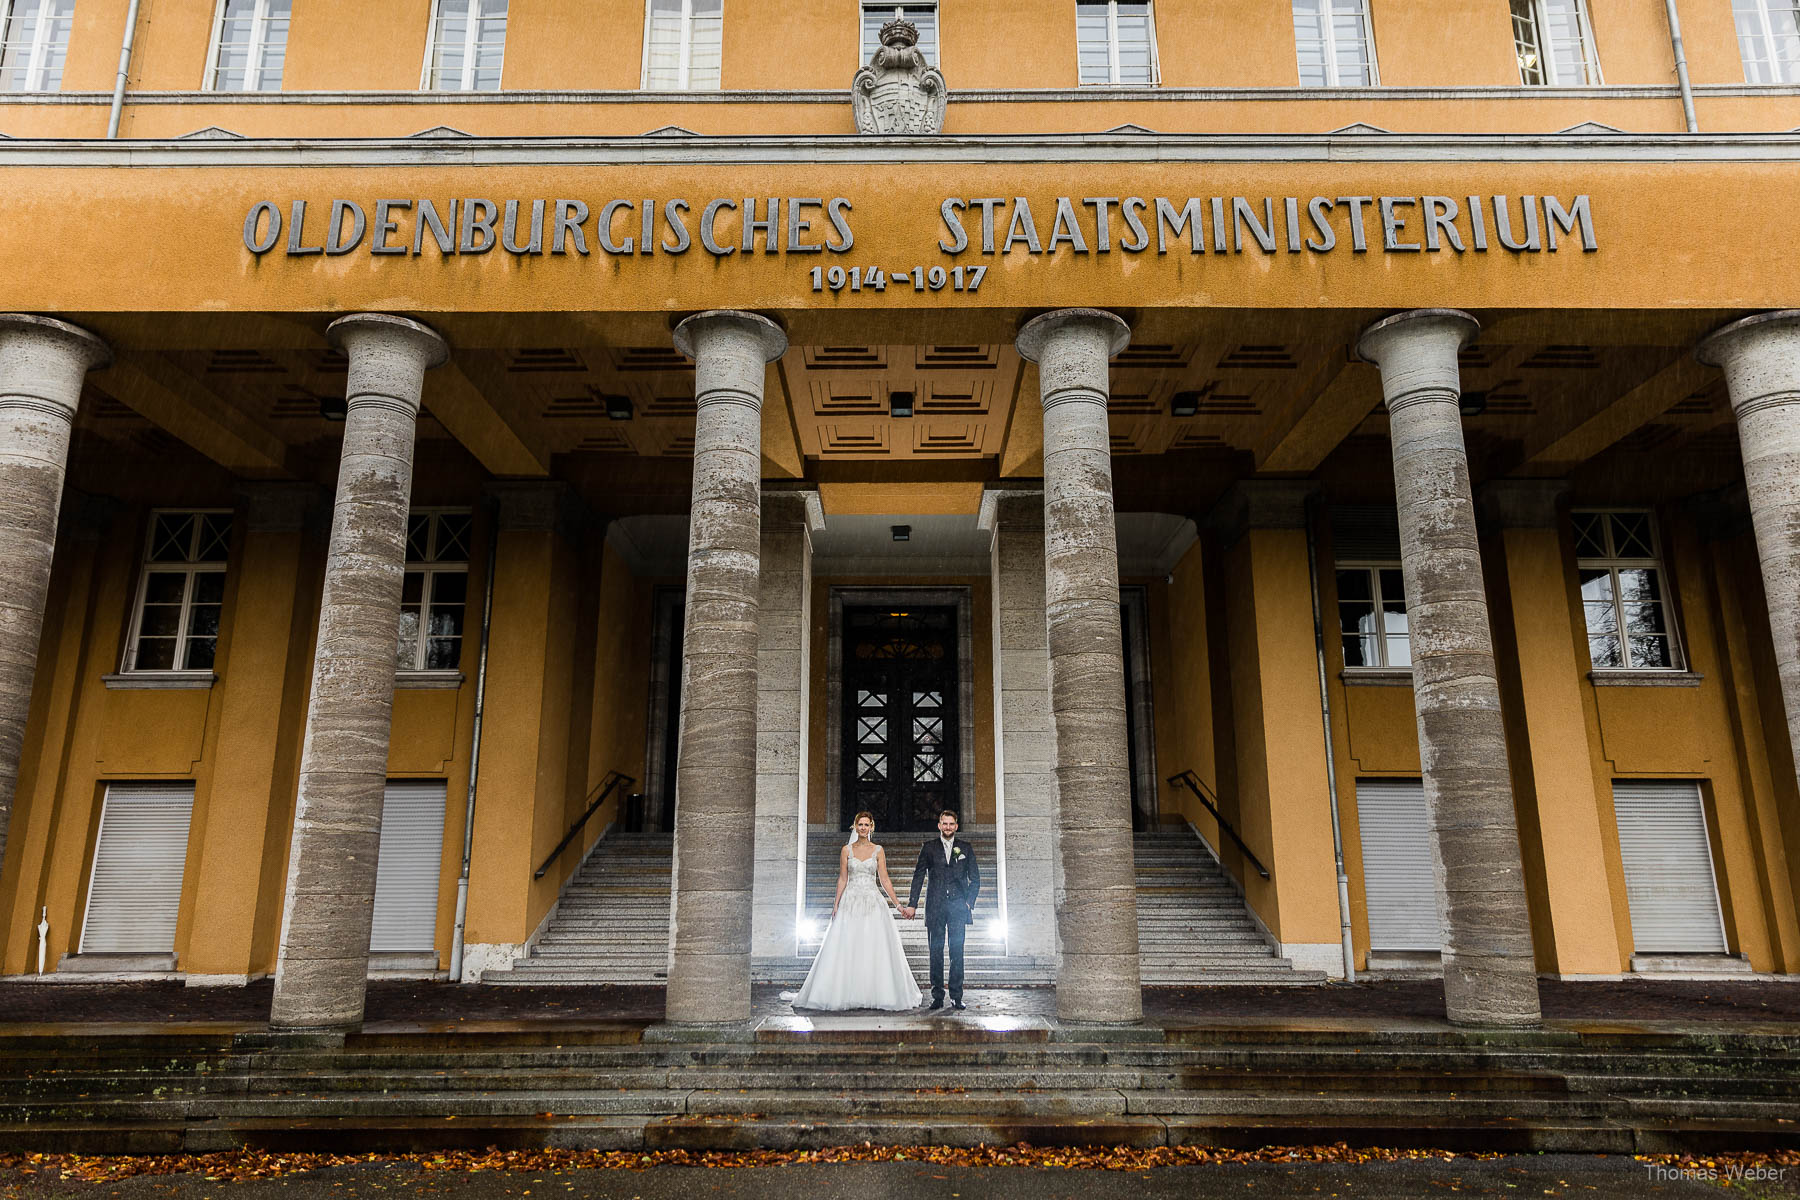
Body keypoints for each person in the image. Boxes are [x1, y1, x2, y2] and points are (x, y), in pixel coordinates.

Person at [790, 811, 923, 1011]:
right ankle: (845, 992)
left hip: (872, 902)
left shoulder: (878, 850)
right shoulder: (846, 850)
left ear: (871, 827)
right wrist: (836, 904)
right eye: (860, 824)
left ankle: (875, 992)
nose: (863, 828)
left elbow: (884, 879)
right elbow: (843, 878)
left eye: (866, 824)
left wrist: (897, 904)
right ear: (855, 826)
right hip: (850, 902)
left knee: (872, 947)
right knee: (848, 946)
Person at [906, 808, 980, 1011]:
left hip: (958, 907)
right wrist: (913, 904)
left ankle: (956, 996)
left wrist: (969, 902)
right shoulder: (929, 848)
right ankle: (937, 995)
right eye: (944, 823)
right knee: (935, 952)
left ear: (956, 826)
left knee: (957, 952)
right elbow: (919, 876)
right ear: (939, 826)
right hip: (935, 906)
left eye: (951, 824)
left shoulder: (965, 847)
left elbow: (975, 878)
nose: (947, 827)